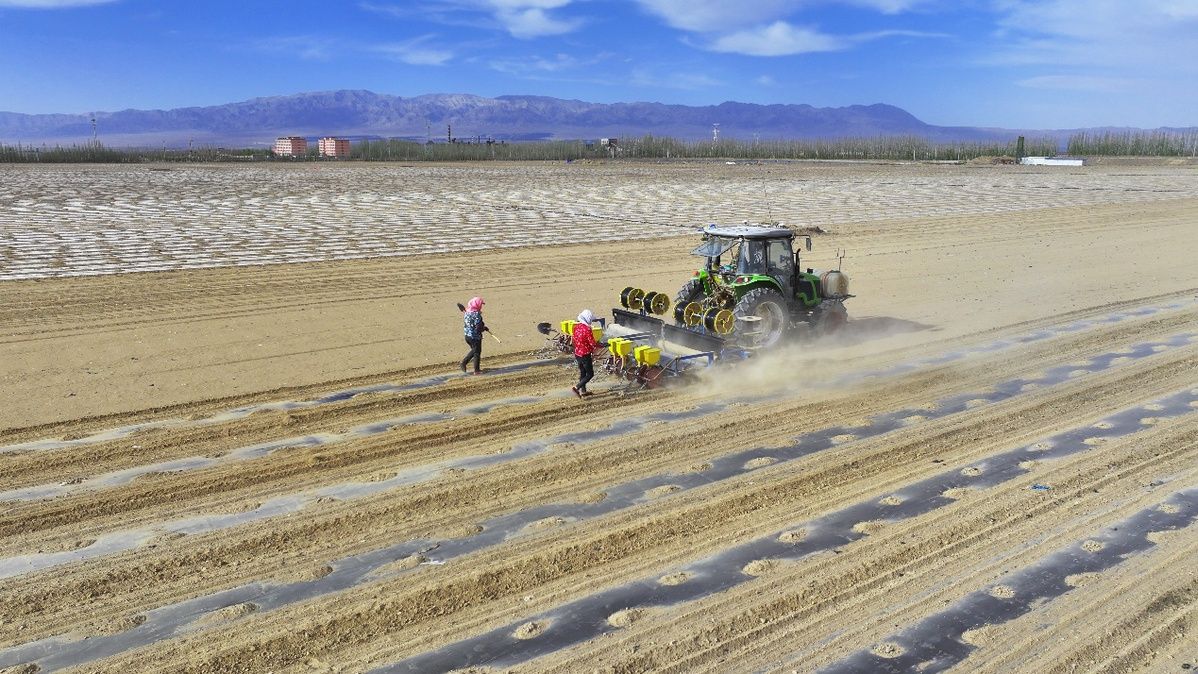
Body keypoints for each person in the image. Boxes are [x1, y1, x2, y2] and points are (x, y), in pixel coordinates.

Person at [571, 309, 599, 397]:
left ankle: (583, 391)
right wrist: (599, 345)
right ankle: (576, 387)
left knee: (583, 372)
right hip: (585, 355)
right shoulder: (587, 329)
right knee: (590, 374)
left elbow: (574, 339)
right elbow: (592, 343)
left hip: (577, 353)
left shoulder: (576, 327)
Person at [460, 296, 488, 374]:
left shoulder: (467, 312)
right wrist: (483, 328)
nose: (481, 306)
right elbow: (478, 328)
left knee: (475, 351)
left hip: (467, 336)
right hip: (474, 337)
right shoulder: (476, 315)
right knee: (476, 352)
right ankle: (466, 364)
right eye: (481, 305)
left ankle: (475, 369)